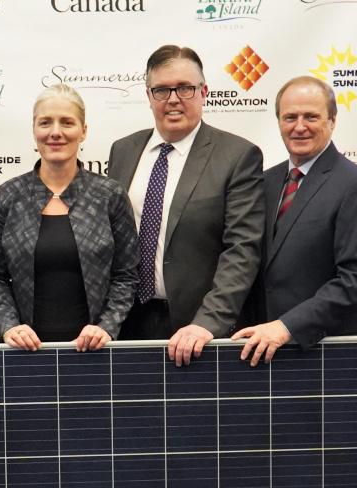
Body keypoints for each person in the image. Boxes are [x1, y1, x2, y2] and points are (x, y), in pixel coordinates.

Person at [108, 44, 265, 365]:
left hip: (199, 331)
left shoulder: (237, 156)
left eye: (185, 88)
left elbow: (242, 250)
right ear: (149, 95)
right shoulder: (122, 151)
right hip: (126, 324)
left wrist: (207, 324)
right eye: (162, 90)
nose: (174, 99)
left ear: (204, 91)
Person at [232, 76, 357, 365]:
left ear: (333, 121)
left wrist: (288, 326)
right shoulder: (264, 182)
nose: (299, 126)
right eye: (290, 117)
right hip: (263, 350)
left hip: (328, 353)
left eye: (311, 117)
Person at [0, 84, 137, 352]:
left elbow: (126, 275)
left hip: (96, 350)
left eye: (67, 122)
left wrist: (106, 328)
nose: (56, 132)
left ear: (83, 131)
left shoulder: (109, 195)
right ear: (34, 130)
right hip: (23, 352)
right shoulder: (9, 195)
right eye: (45, 122)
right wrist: (9, 326)